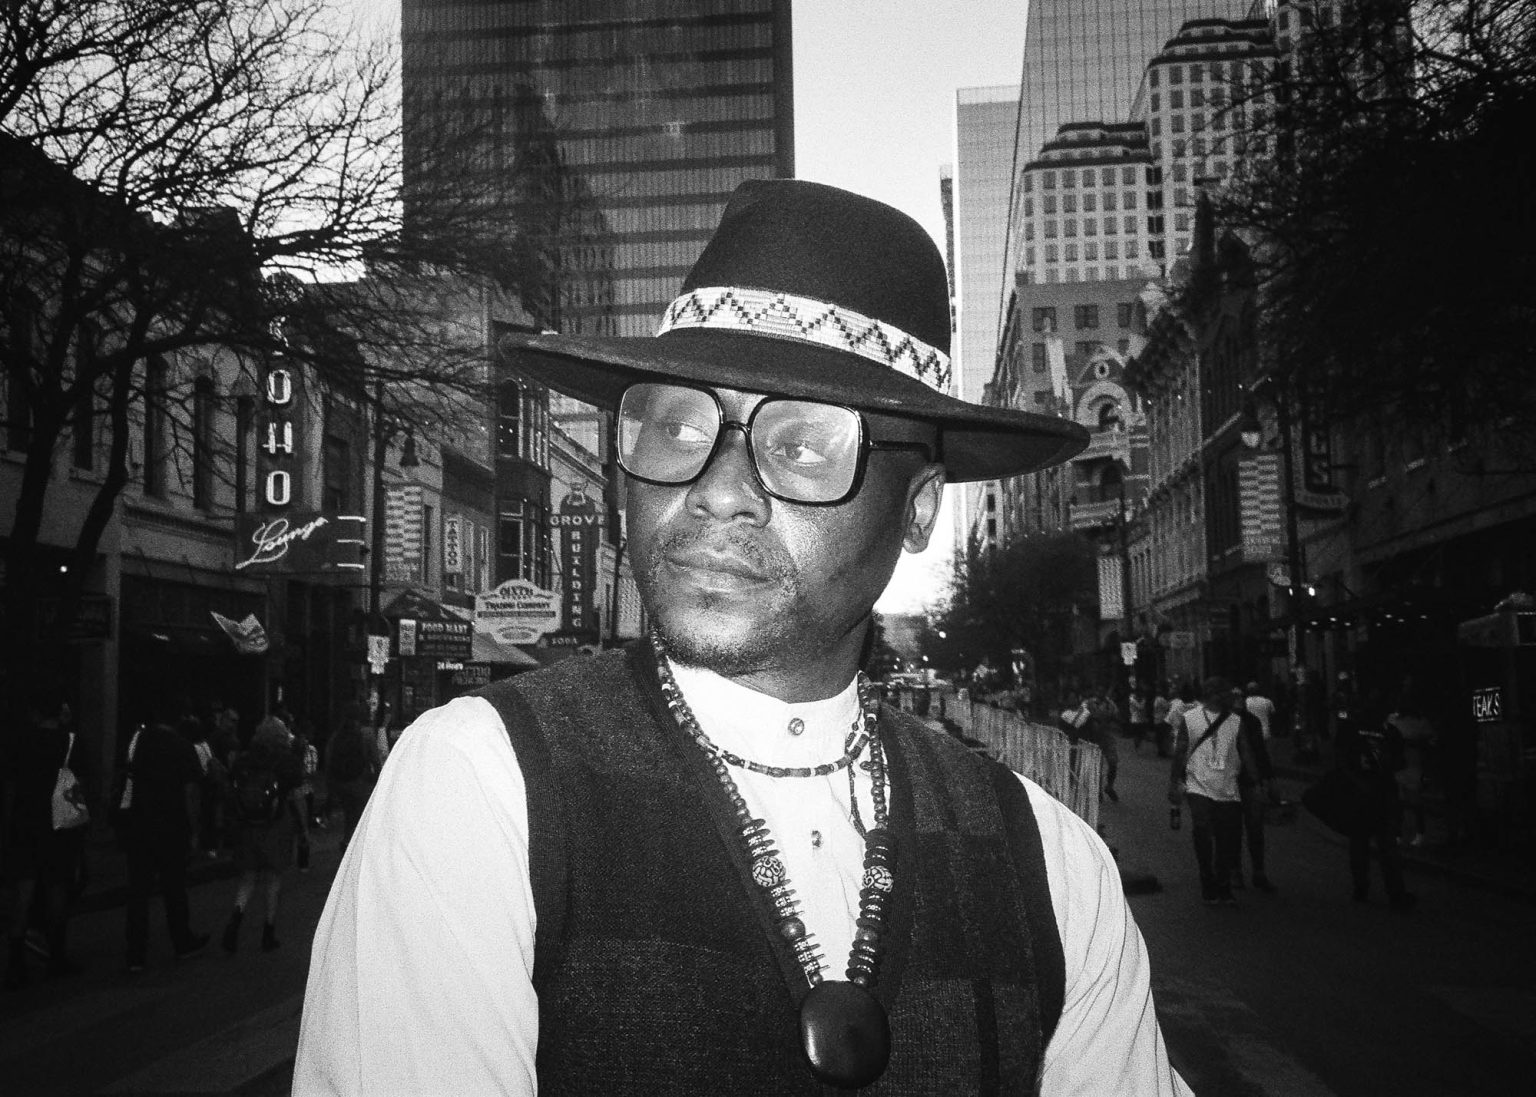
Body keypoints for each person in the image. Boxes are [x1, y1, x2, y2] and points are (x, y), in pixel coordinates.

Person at [295, 180, 1191, 1095]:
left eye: (801, 445)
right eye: (678, 424)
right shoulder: (478, 789)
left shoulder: (1054, 868)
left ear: (917, 511)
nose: (718, 488)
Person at [2, 693, 89, 987]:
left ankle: (15, 959)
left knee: (22, 892)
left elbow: (10, 786)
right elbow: (80, 786)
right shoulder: (71, 742)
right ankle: (57, 954)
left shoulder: (20, 742)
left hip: (25, 822)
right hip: (59, 824)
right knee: (57, 889)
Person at [1168, 676, 1277, 905]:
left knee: (1227, 837)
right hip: (1198, 785)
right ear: (1210, 694)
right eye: (1222, 693)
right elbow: (1180, 751)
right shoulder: (1191, 718)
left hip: (1228, 788)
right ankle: (1208, 879)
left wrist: (1257, 783)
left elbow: (1246, 753)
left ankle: (1224, 883)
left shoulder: (1235, 722)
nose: (1227, 697)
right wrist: (1174, 783)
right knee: (1203, 830)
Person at [119, 718, 212, 973]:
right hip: (171, 826)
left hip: (139, 824)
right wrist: (195, 830)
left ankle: (135, 953)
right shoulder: (183, 748)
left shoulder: (139, 743)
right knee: (174, 887)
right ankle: (182, 941)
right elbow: (191, 791)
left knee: (138, 891)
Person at [222, 719, 309, 952]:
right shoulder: (287, 762)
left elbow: (231, 789)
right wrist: (304, 829)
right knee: (273, 879)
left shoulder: (244, 759)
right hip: (276, 824)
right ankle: (268, 932)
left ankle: (235, 920)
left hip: (248, 825)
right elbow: (297, 796)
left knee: (247, 878)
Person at [1337, 690, 1415, 910]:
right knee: (1387, 844)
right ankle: (1395, 891)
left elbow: (1341, 759)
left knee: (1359, 842)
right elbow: (1400, 763)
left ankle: (1361, 886)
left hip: (1360, 790)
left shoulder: (1350, 729)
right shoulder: (1389, 732)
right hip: (1383, 791)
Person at [321, 706, 379, 854]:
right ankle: (355, 846)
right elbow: (375, 759)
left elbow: (329, 758)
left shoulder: (338, 734)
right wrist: (378, 777)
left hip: (340, 781)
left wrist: (330, 783)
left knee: (349, 812)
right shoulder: (367, 733)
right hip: (359, 780)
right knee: (360, 814)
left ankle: (347, 840)